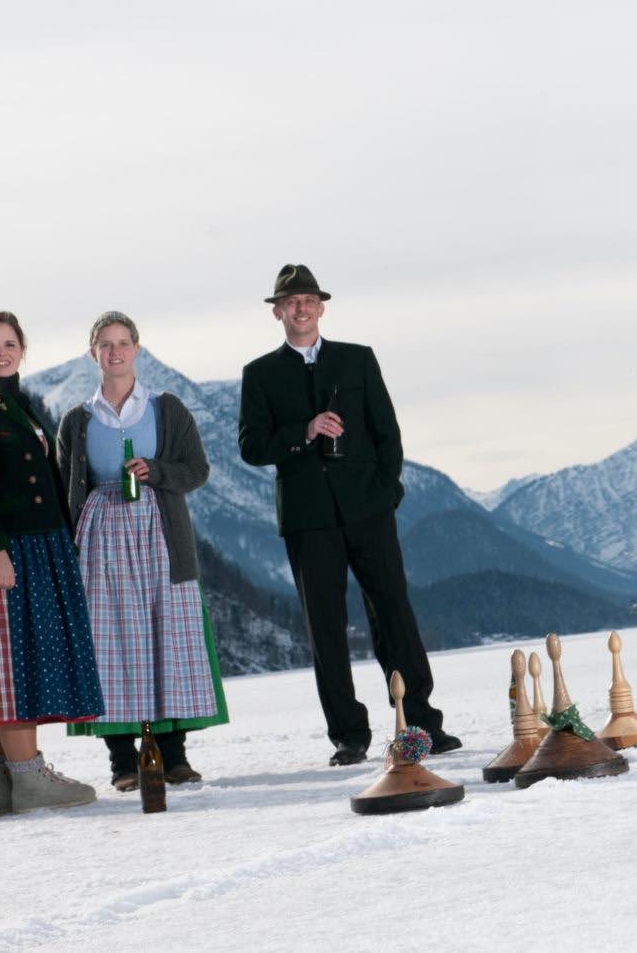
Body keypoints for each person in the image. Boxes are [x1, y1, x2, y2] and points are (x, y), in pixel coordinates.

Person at [238, 264, 458, 766]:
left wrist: (386, 493)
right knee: (326, 629)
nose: (301, 308)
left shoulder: (357, 359)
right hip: (307, 518)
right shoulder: (260, 374)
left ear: (321, 307)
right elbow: (251, 447)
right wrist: (305, 430)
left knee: (395, 615)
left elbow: (387, 432)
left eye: (308, 299)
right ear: (277, 312)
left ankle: (422, 724)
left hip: (368, 509)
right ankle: (349, 735)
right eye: (291, 301)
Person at [0, 311, 103, 814]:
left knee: (3, 662)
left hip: (36, 544)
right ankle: (29, 777)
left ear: (22, 349)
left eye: (9, 344)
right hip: (3, 547)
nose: (1, 353)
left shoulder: (17, 404)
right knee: (12, 662)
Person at [57, 312, 228, 791]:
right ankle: (122, 761)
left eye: (123, 343)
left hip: (160, 532)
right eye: (105, 344)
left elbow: (197, 469)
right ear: (92, 352)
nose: (114, 352)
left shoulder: (166, 408)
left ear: (136, 348)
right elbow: (66, 489)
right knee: (109, 642)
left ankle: (174, 756)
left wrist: (157, 470)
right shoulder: (77, 419)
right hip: (100, 535)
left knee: (164, 635)